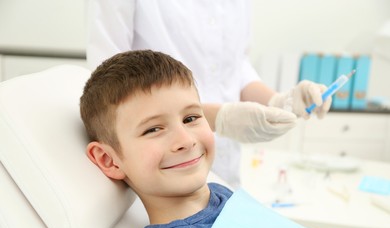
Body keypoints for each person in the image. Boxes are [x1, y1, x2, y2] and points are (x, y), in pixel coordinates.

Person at [86, 0, 331, 187]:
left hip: (226, 170)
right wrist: (213, 118)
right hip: (163, 173)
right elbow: (111, 89)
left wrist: (279, 101)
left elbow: (237, 65)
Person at [80, 49, 234, 228]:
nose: (186, 141)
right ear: (110, 160)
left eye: (190, 118)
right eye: (153, 129)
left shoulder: (220, 194)